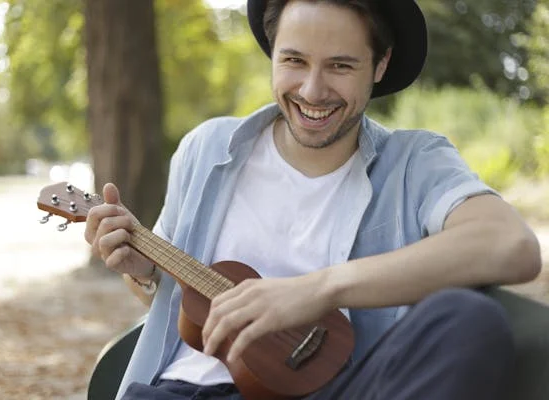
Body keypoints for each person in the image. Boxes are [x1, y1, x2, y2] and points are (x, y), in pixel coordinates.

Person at [84, 0, 542, 399]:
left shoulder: (415, 162)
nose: (312, 90)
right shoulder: (208, 148)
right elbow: (178, 311)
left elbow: (512, 246)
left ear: (380, 65)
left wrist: (317, 289)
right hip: (189, 392)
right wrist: (143, 274)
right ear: (272, 56)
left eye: (340, 65)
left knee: (468, 319)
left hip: (346, 388)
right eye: (294, 61)